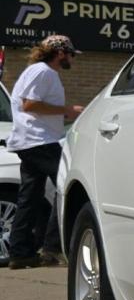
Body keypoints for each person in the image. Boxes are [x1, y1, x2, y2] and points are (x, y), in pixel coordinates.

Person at [6, 35, 84, 269]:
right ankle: (52, 248)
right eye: (70, 54)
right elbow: (29, 104)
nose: (72, 59)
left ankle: (20, 253)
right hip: (40, 141)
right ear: (60, 53)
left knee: (29, 198)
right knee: (65, 186)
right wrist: (67, 111)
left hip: (30, 141)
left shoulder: (36, 71)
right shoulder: (44, 72)